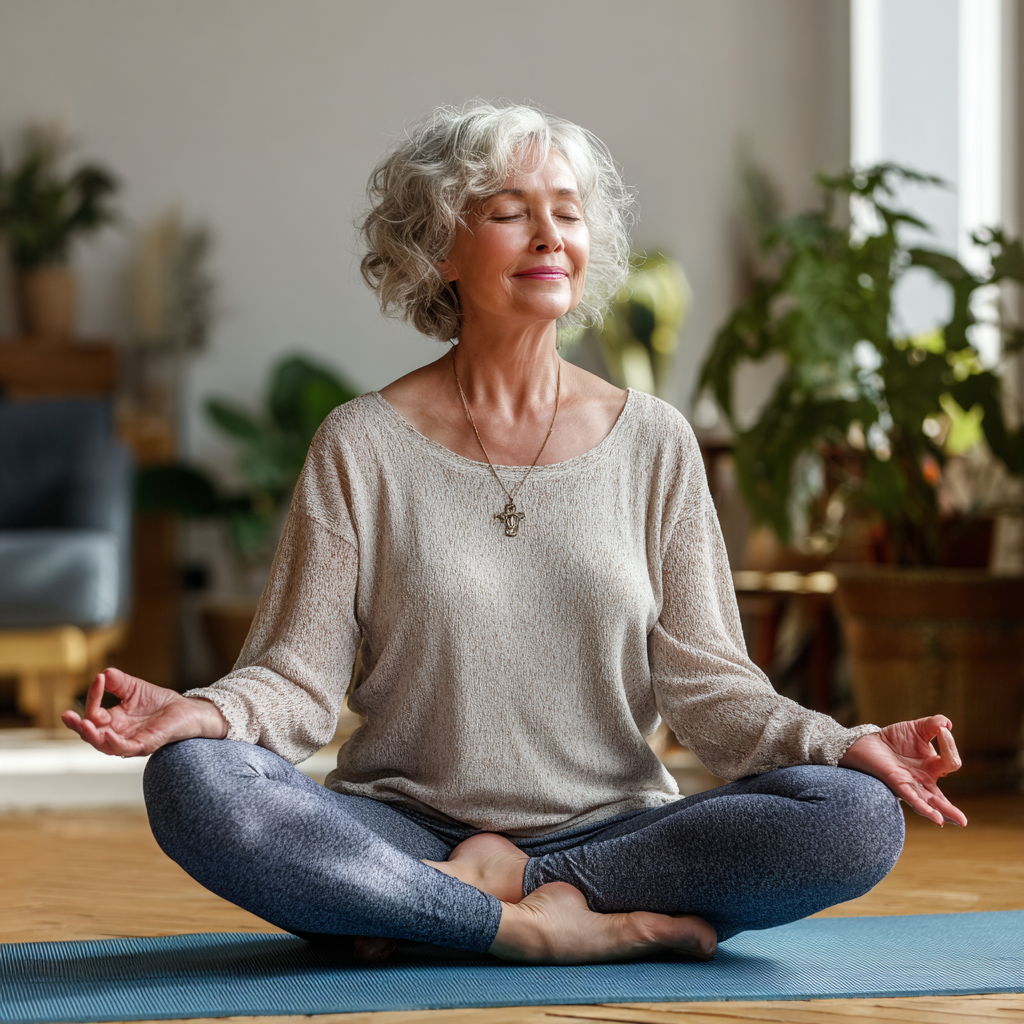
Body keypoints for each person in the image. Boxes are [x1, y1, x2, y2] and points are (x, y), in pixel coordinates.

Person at [64, 101, 965, 966]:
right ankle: (533, 929)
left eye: (567, 214)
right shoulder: (362, 442)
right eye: (509, 212)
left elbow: (711, 690)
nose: (549, 236)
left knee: (854, 815)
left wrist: (841, 743)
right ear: (440, 247)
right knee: (194, 783)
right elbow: (297, 680)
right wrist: (207, 712)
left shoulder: (654, 442)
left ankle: (469, 900)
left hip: (617, 834)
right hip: (403, 823)